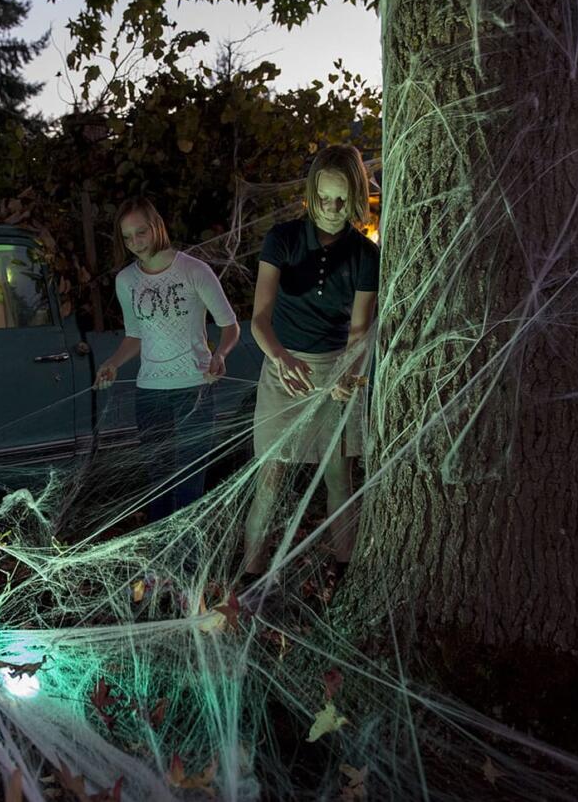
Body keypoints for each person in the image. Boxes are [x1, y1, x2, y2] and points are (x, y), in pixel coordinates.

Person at [243, 145, 379, 576]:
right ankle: (250, 575)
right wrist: (281, 359)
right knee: (270, 480)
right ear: (311, 193)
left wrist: (349, 374)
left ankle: (345, 574)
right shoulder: (281, 240)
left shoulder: (364, 255)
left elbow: (361, 331)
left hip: (337, 372)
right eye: (325, 199)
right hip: (283, 369)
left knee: (340, 479)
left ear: (356, 197)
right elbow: (259, 320)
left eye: (342, 201)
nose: (333, 210)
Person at [95, 197, 241, 522]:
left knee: (190, 484)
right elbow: (135, 335)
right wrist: (114, 363)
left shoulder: (194, 270)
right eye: (128, 237)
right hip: (149, 394)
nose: (135, 243)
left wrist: (220, 354)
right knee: (157, 483)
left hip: (194, 390)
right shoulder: (126, 281)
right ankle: (158, 569)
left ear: (157, 226)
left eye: (141, 233)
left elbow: (229, 326)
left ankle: (186, 566)